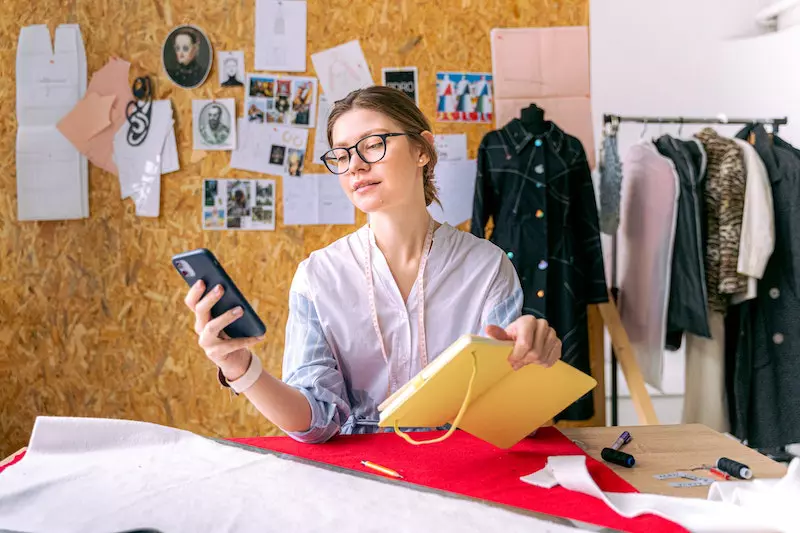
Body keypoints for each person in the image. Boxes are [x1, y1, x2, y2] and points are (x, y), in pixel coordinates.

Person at [183, 86, 563, 444]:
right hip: (358, 485)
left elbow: (507, 418)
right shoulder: (317, 278)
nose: (355, 166)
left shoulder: (488, 268)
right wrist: (240, 368)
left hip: (460, 478)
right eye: (342, 154)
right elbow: (315, 423)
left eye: (373, 144)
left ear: (423, 150)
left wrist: (534, 365)